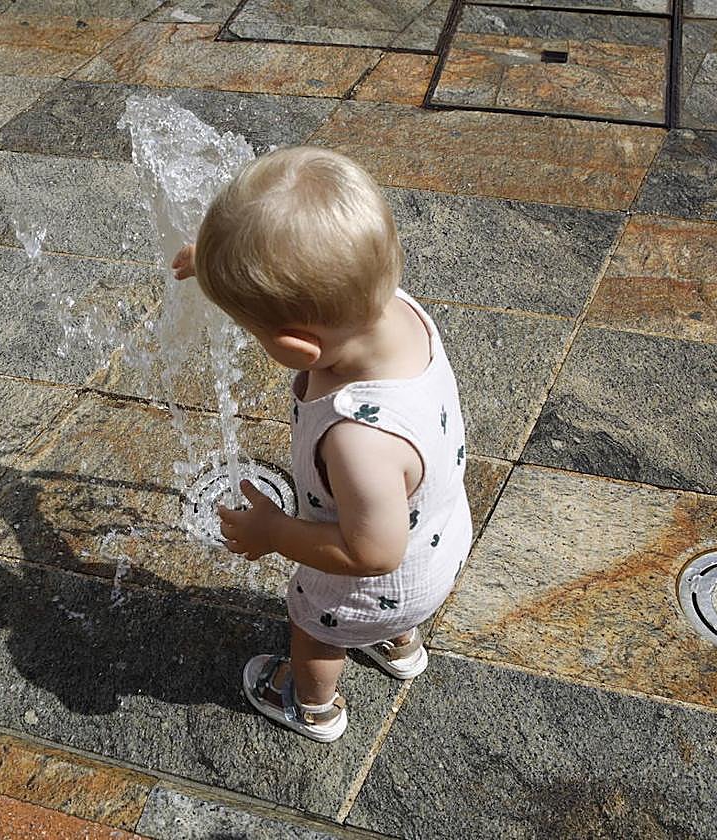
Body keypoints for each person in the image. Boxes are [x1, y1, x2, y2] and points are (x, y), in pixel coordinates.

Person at [171, 146, 470, 743]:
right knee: (390, 602)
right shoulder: (388, 309)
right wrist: (214, 266)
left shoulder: (359, 438)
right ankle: (400, 644)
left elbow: (372, 553)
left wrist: (275, 534)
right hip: (437, 543)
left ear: (297, 348)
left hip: (368, 575)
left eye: (252, 331)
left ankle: (312, 705)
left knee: (314, 631)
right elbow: (314, 275)